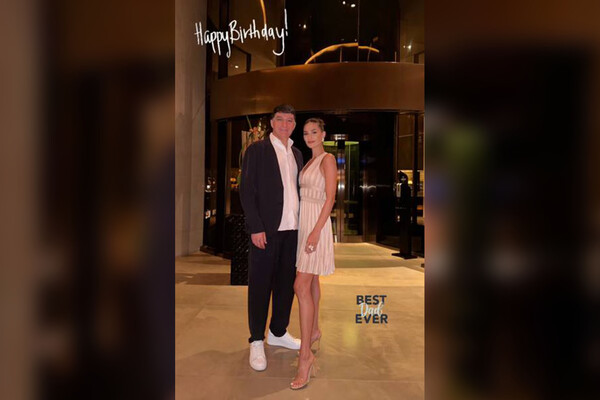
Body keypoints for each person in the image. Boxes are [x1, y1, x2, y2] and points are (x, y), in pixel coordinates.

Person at [239, 104, 304, 371]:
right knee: (260, 286)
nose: (285, 124)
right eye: (280, 119)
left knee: (286, 285)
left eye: (290, 120)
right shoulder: (257, 150)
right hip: (265, 232)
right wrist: (255, 227)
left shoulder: (297, 153)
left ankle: (278, 331)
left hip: (292, 232)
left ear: (294, 125)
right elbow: (246, 190)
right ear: (272, 122)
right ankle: (256, 339)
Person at [290, 118, 336, 390]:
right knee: (312, 281)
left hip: (316, 225)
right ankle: (314, 329)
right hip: (305, 223)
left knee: (300, 285)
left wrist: (316, 232)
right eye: (306, 133)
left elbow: (330, 198)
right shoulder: (308, 162)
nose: (309, 136)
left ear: (323, 134)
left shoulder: (327, 160)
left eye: (314, 132)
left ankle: (305, 356)